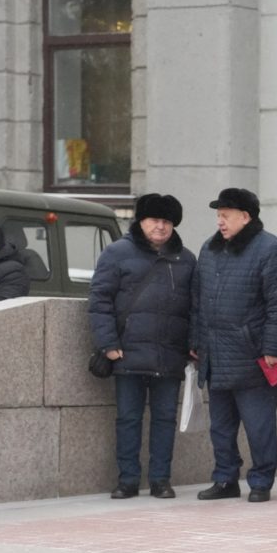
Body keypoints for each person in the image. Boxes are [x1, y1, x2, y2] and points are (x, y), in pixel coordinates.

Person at [191, 188, 277, 503]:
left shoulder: (269, 249)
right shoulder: (209, 249)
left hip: (253, 356)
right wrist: (195, 340)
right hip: (215, 353)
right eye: (218, 215)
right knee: (220, 427)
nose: (220, 221)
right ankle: (225, 478)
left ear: (245, 216)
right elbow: (197, 300)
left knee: (258, 426)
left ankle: (261, 480)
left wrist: (273, 348)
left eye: (226, 215)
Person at [88, 194, 195, 499]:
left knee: (164, 420)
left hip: (169, 353)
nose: (160, 227)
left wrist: (192, 345)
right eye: (154, 221)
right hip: (128, 352)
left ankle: (161, 479)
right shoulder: (117, 252)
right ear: (141, 222)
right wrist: (108, 343)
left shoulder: (186, 259)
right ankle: (128, 479)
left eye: (166, 222)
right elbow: (100, 301)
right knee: (128, 418)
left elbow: (195, 306)